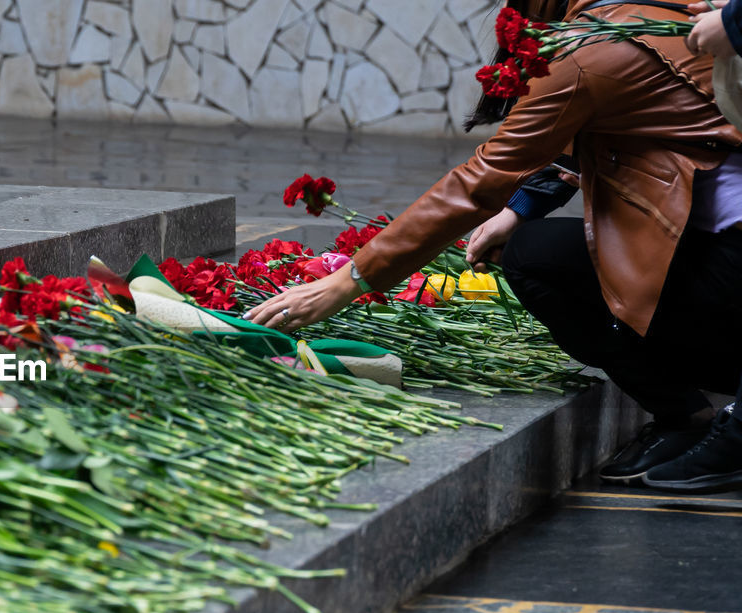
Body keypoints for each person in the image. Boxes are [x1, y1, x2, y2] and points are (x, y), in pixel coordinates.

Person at [244, 0, 742, 492]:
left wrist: (345, 281)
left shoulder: (591, 48)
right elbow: (629, 124)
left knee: (534, 260)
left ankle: (724, 423)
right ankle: (688, 419)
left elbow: (474, 184)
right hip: (722, 261)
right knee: (537, 249)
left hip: (730, 276)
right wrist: (518, 208)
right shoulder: (663, 12)